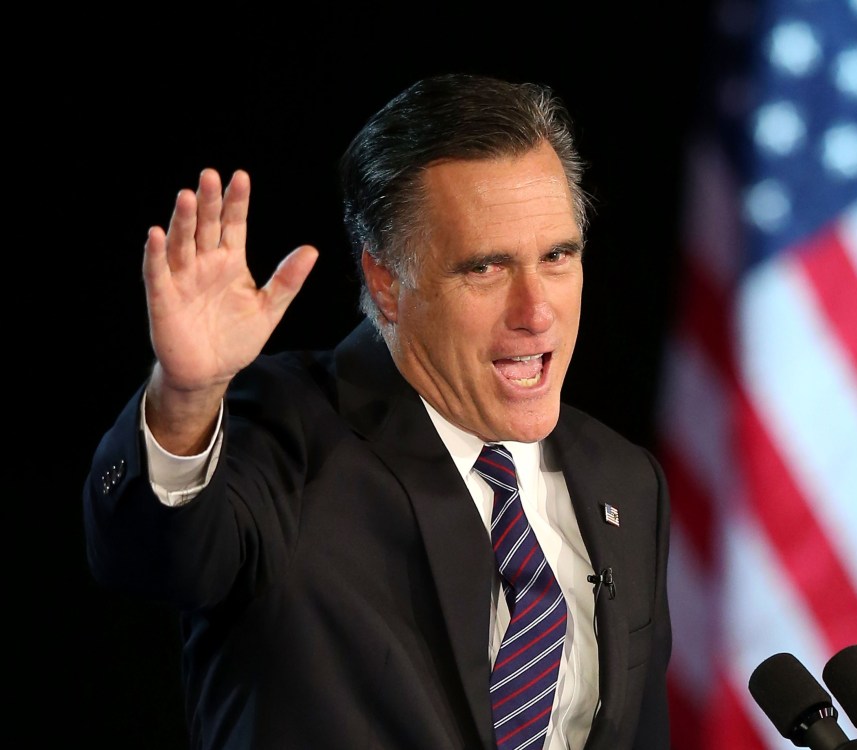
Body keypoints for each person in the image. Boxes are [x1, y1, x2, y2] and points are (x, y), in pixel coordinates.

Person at [83, 72, 671, 750]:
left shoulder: (627, 480)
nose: (537, 312)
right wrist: (187, 397)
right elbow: (153, 558)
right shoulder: (283, 429)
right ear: (387, 284)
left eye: (558, 256)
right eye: (485, 268)